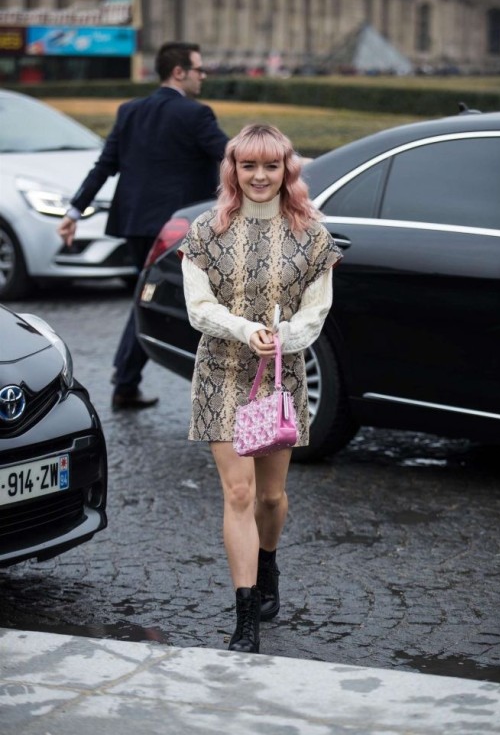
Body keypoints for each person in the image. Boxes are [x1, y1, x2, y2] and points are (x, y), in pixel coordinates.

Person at [178, 124, 342, 653]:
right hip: (221, 371)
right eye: (248, 165)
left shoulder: (311, 234)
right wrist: (245, 329)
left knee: (270, 496)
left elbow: (317, 310)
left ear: (287, 170)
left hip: (278, 376)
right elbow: (198, 307)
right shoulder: (206, 230)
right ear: (233, 169)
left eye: (271, 165)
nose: (259, 176)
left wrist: (283, 337)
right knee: (240, 493)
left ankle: (267, 562)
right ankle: (245, 615)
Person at [58, 42, 228, 410]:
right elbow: (231, 156)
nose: (203, 76)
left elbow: (104, 166)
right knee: (173, 300)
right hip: (176, 230)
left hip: (135, 225)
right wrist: (284, 164)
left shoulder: (130, 110)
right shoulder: (196, 114)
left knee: (150, 297)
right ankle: (209, 388)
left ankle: (126, 380)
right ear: (179, 72)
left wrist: (74, 212)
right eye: (199, 69)